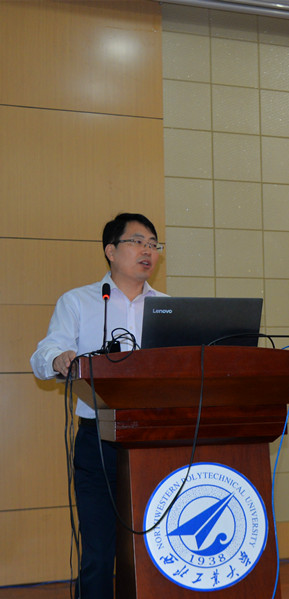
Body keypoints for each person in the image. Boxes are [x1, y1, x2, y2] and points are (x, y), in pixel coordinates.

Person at [31, 213, 166, 599]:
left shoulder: (168, 308)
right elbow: (44, 355)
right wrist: (59, 358)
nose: (147, 250)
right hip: (99, 441)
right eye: (137, 241)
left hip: (157, 441)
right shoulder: (79, 301)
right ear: (110, 250)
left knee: (156, 548)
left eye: (153, 244)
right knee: (99, 553)